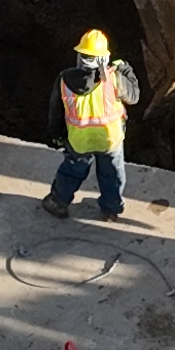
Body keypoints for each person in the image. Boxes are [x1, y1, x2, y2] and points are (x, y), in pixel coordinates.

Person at [47, 26, 137, 221]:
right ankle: (111, 210)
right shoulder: (114, 79)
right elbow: (134, 96)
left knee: (71, 172)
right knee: (112, 174)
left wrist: (57, 135)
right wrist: (125, 69)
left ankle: (58, 202)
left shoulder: (64, 80)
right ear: (103, 59)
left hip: (79, 141)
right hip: (109, 140)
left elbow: (56, 111)